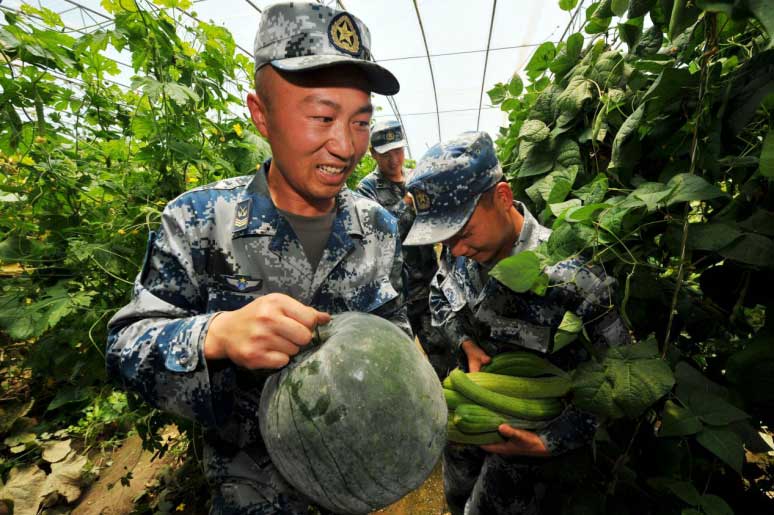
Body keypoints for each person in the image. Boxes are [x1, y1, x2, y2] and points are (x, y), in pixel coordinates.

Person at [106, 3, 408, 513]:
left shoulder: (378, 226)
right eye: (322, 117)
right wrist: (215, 335)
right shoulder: (199, 221)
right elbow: (124, 347)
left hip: (352, 482)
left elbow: (393, 327)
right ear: (260, 114)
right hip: (252, 492)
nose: (345, 145)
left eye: (360, 121)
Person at [403, 131, 631, 514]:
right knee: (458, 497)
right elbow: (441, 296)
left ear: (503, 197)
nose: (455, 249)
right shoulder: (463, 252)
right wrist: (466, 345)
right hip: (466, 421)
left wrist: (550, 442)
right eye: (446, 238)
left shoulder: (574, 275)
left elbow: (618, 374)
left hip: (527, 448)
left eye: (462, 232)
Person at [356, 120, 453, 377]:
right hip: (392, 294)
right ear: (373, 154)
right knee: (399, 363)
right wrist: (406, 205)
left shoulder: (417, 178)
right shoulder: (366, 191)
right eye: (385, 154)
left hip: (427, 285)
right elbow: (376, 238)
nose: (393, 159)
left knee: (442, 352)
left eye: (398, 151)